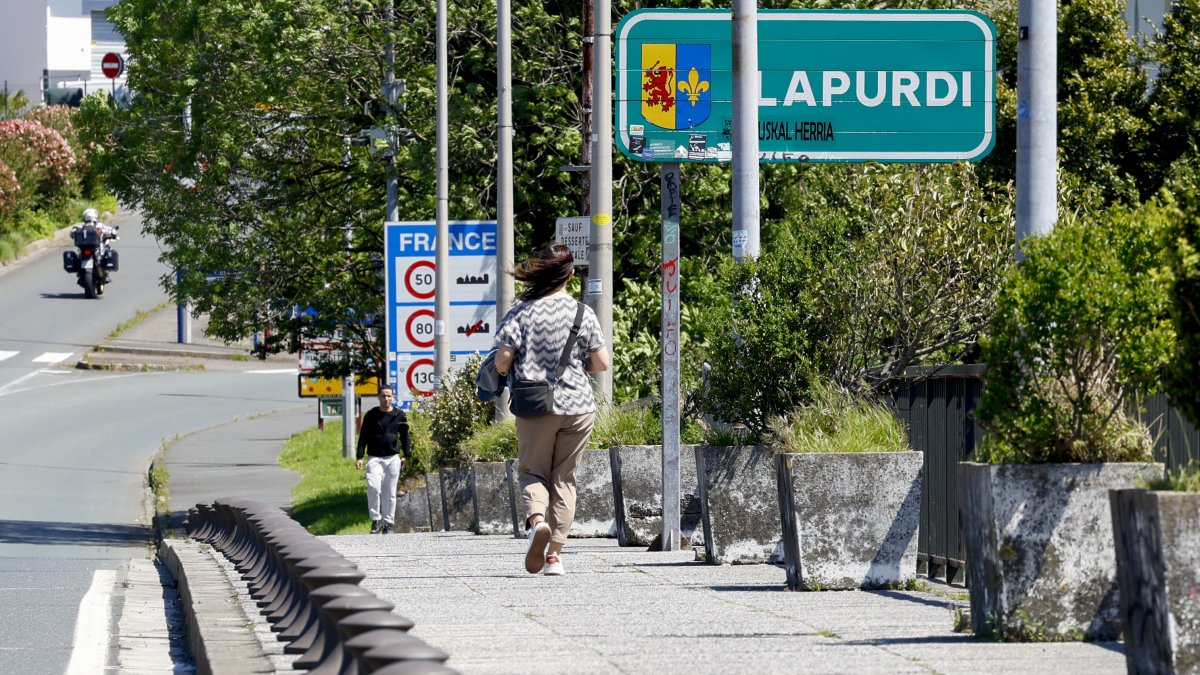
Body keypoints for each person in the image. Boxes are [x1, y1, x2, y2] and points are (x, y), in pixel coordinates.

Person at [493, 242, 610, 576]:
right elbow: (601, 362)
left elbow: (503, 359)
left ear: (541, 271)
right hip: (579, 407)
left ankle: (537, 523)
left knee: (532, 471)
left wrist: (510, 370)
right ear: (570, 275)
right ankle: (554, 556)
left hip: (535, 406)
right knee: (565, 479)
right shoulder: (582, 312)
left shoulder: (521, 311)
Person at [354, 385, 410, 534]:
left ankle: (389, 523)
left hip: (392, 458)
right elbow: (363, 437)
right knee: (373, 487)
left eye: (389, 396)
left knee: (390, 492)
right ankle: (376, 520)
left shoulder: (400, 415)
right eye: (383, 396)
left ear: (393, 397)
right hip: (375, 458)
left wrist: (407, 455)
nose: (386, 399)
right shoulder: (371, 415)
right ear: (379, 397)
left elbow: (405, 437)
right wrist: (359, 456)